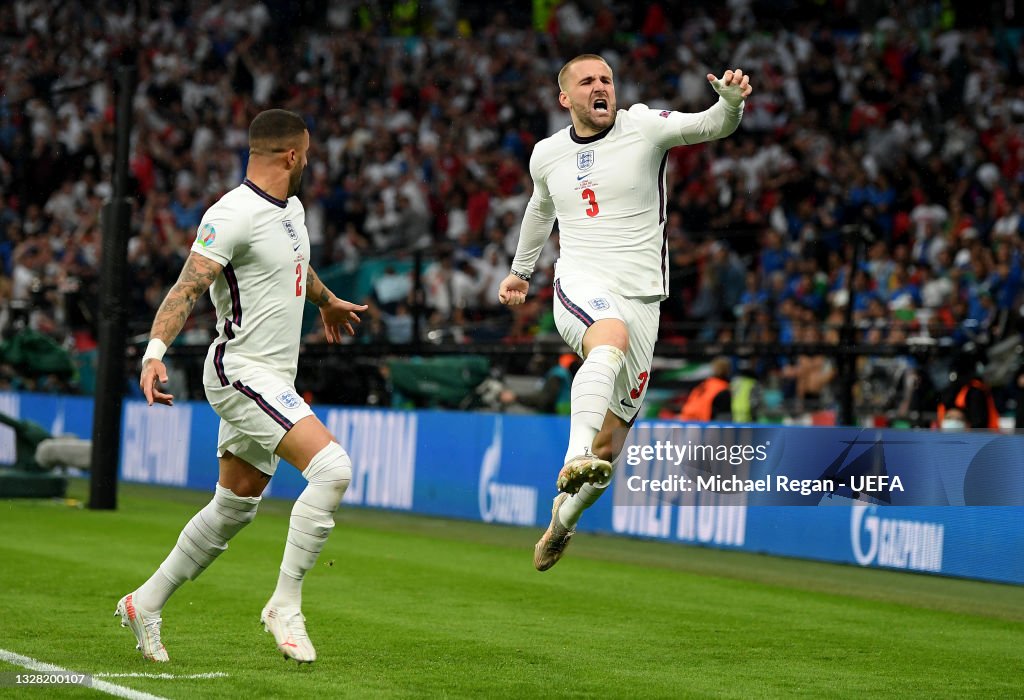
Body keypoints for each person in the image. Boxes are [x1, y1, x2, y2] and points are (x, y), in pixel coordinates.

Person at [116, 109, 368, 664]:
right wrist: (154, 354)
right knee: (334, 468)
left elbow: (296, 265)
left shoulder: (292, 210)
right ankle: (284, 604)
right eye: (308, 154)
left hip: (274, 377)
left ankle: (145, 602)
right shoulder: (231, 213)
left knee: (235, 505)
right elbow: (188, 286)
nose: (309, 162)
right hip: (240, 371)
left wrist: (325, 302)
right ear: (293, 155)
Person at [498, 54, 751, 570]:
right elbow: (540, 207)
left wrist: (730, 104)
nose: (601, 87)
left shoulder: (642, 126)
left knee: (610, 447)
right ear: (565, 98)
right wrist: (521, 271)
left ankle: (561, 523)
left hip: (643, 297)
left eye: (607, 79)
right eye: (588, 81)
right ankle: (573, 457)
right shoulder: (546, 154)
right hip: (581, 282)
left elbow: (710, 124)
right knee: (606, 337)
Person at [679, 356, 733, 422]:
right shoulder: (723, 388)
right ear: (728, 370)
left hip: (686, 418)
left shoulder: (705, 383)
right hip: (702, 422)